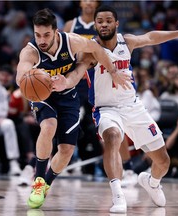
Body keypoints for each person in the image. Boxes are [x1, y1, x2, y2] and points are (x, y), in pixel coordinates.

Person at [52, 5, 178, 213]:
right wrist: (64, 83)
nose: (104, 25)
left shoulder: (126, 41)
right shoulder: (90, 50)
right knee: (112, 138)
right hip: (106, 109)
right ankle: (118, 196)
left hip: (133, 107)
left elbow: (151, 37)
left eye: (108, 21)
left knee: (163, 162)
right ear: (95, 24)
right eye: (100, 21)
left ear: (116, 23)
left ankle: (152, 183)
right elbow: (77, 74)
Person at [16, 8, 129, 209]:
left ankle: (47, 183)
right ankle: (39, 178)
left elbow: (96, 50)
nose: (41, 39)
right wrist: (34, 78)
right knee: (49, 126)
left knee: (67, 150)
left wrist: (112, 71)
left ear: (56, 32)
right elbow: (21, 76)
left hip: (68, 95)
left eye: (46, 34)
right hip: (44, 96)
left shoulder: (72, 41)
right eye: (37, 34)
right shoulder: (30, 51)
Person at [63, 0, 102, 176]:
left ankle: (95, 166)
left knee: (97, 125)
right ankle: (64, 160)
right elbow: (61, 53)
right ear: (80, 3)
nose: (88, 3)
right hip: (75, 80)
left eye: (92, 0)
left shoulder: (102, 24)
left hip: (97, 80)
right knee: (70, 121)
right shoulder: (71, 25)